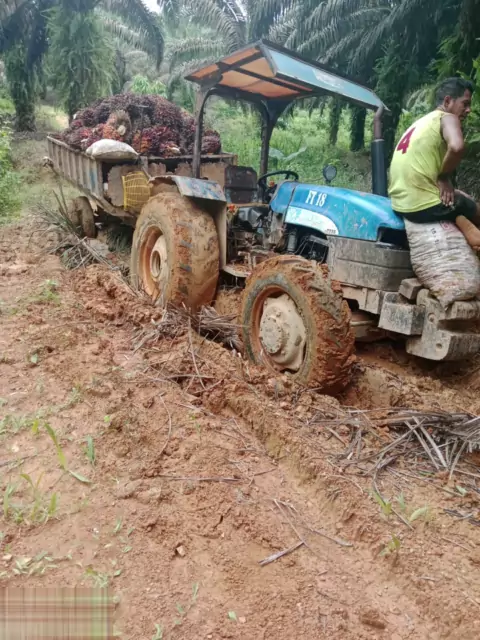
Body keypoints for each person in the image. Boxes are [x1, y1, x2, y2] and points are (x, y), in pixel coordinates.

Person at [389, 77, 480, 249]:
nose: (469, 110)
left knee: (458, 197)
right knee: (469, 205)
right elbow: (457, 147)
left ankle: (463, 224)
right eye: (465, 104)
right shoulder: (448, 118)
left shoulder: (421, 123)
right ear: (447, 101)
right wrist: (443, 177)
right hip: (422, 206)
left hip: (400, 204)